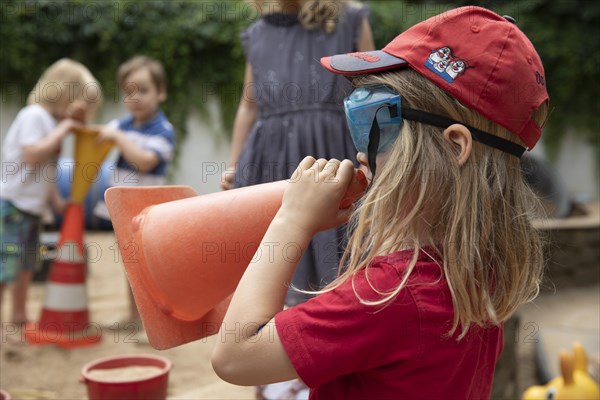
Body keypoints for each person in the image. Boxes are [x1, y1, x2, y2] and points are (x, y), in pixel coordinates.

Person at [212, 6, 548, 399]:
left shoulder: (387, 294)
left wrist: (292, 221)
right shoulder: (480, 272)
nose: (359, 149)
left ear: (454, 145)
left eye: (375, 119)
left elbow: (234, 355)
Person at [224, 0, 374, 306]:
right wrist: (233, 165)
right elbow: (249, 104)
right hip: (270, 158)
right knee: (275, 264)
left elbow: (371, 89)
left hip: (334, 154)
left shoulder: (351, 19)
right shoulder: (256, 34)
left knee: (341, 263)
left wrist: (379, 153)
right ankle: (281, 342)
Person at [0, 58, 102, 326]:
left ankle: (19, 315)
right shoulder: (33, 116)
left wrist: (58, 203)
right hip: (12, 206)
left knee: (26, 267)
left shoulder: (52, 125)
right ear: (63, 93)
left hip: (33, 210)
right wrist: (64, 131)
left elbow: (48, 174)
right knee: (5, 267)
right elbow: (32, 155)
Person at [94, 55, 175, 328]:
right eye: (129, 92)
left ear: (160, 92)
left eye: (143, 90)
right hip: (122, 211)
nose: (135, 97)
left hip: (146, 213)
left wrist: (117, 138)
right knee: (130, 267)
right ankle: (134, 317)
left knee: (147, 267)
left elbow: (144, 161)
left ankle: (153, 319)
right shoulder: (121, 126)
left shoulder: (163, 130)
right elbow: (94, 139)